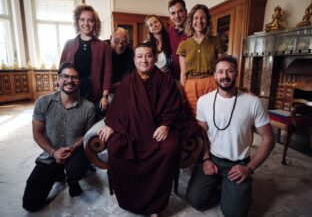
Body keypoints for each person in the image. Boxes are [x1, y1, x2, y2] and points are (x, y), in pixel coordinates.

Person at [98, 42, 193, 217]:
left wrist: (166, 125)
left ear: (155, 58)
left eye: (148, 55)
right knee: (116, 147)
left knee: (169, 148)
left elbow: (173, 107)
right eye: (140, 56)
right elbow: (118, 109)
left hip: (157, 129)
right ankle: (131, 200)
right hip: (131, 130)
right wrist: (111, 125)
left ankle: (154, 205)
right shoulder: (128, 81)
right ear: (134, 60)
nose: (144, 60)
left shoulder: (165, 80)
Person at [186, 55, 275, 217]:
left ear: (236, 74)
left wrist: (249, 168)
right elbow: (202, 133)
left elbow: (269, 140)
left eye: (229, 71)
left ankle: (230, 188)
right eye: (220, 71)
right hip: (212, 159)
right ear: (214, 75)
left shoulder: (252, 102)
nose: (224, 76)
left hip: (238, 163)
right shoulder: (204, 101)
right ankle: (222, 186)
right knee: (195, 200)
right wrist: (205, 159)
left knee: (234, 213)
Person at [22, 62, 96, 212]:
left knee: (76, 169)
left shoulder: (89, 107)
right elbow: (37, 133)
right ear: (58, 79)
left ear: (80, 81)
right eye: (65, 76)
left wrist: (73, 147)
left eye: (74, 77)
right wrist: (53, 152)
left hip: (75, 151)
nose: (70, 81)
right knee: (30, 204)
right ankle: (58, 172)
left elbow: (88, 135)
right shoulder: (43, 102)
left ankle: (71, 177)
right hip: (51, 153)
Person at [60, 4, 111, 119]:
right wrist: (59, 86)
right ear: (77, 21)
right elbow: (61, 69)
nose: (86, 24)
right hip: (72, 90)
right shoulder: (69, 44)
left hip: (93, 93)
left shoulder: (104, 46)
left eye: (90, 20)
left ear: (95, 23)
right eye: (82, 20)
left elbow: (107, 73)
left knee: (88, 122)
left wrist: (105, 96)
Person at [177, 4, 225, 115]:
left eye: (203, 17)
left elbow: (222, 69)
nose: (199, 21)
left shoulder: (216, 41)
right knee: (194, 117)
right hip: (190, 85)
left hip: (211, 82)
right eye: (196, 18)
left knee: (212, 115)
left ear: (207, 20)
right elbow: (183, 73)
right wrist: (182, 94)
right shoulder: (183, 45)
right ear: (191, 21)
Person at [104, 27, 134, 94]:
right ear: (111, 38)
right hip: (102, 89)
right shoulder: (102, 48)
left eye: (124, 42)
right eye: (116, 41)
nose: (120, 45)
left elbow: (129, 75)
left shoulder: (130, 53)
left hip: (122, 88)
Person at [167, 0, 188, 80]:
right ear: (170, 16)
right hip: (173, 79)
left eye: (180, 11)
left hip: (191, 79)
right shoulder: (168, 32)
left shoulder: (195, 31)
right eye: (173, 13)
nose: (177, 16)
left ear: (186, 12)